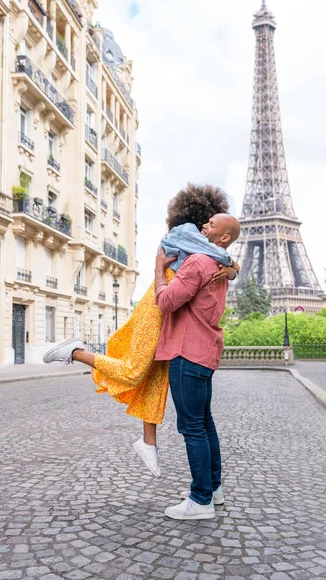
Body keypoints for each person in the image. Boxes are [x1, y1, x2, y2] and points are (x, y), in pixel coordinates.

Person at [43, 185, 239, 477]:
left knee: (157, 374)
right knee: (136, 370)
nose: (205, 226)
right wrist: (230, 263)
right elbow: (212, 255)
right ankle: (76, 351)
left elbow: (214, 256)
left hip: (173, 310)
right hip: (158, 304)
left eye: (210, 223)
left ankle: (149, 442)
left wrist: (232, 267)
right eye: (209, 220)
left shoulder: (203, 249)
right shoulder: (185, 234)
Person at [153, 213, 241, 520]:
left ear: (224, 237)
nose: (204, 225)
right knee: (205, 423)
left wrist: (159, 270)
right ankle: (213, 489)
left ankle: (200, 500)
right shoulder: (219, 264)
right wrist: (232, 270)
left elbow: (165, 302)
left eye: (212, 225)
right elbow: (231, 271)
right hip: (205, 353)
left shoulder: (197, 263)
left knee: (192, 427)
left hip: (186, 352)